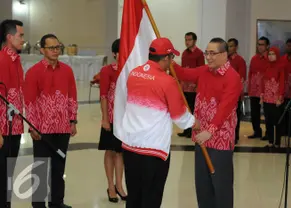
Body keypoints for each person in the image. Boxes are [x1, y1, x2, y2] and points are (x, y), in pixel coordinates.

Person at [120, 37, 197, 208]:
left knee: (134, 195)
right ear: (166, 58)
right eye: (172, 58)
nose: (172, 62)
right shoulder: (167, 81)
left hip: (131, 145)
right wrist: (194, 123)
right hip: (153, 149)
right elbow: (179, 116)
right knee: (151, 197)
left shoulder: (134, 73)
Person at [174, 37, 242, 208]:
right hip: (201, 137)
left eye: (213, 53)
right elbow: (183, 74)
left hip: (220, 140)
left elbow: (225, 109)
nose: (208, 57)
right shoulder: (205, 71)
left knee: (221, 185)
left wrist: (210, 131)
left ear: (224, 54)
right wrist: (168, 58)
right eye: (207, 53)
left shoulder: (232, 77)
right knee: (203, 186)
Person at [24, 34, 78, 208]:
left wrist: (73, 120)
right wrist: (33, 127)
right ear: (42, 50)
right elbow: (29, 102)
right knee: (40, 167)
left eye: (58, 47)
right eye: (51, 48)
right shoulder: (34, 72)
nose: (56, 51)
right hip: (41, 129)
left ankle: (57, 202)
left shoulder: (67, 70)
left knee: (59, 167)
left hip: (62, 128)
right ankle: (38, 204)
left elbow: (72, 97)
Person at [97, 39, 127, 203]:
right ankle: (110, 186)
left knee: (120, 153)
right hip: (111, 117)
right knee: (110, 151)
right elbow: (103, 96)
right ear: (115, 54)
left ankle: (119, 185)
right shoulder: (107, 71)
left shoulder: (130, 71)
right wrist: (105, 119)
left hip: (126, 120)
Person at [0, 19, 25, 208]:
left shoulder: (16, 61)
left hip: (15, 126)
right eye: (20, 36)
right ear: (9, 37)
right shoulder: (1, 59)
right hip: (3, 129)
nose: (23, 40)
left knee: (8, 173)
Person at [177, 32, 205, 138]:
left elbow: (202, 71)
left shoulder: (199, 53)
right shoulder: (184, 53)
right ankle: (186, 130)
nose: (187, 42)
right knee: (185, 109)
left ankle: (192, 131)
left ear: (195, 41)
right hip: (184, 86)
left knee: (193, 109)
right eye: (186, 40)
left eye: (189, 40)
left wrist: (198, 85)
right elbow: (182, 70)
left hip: (193, 87)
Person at [260, 47, 285, 148]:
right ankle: (270, 141)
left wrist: (280, 97)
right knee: (268, 120)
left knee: (277, 121)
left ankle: (278, 142)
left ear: (277, 55)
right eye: (269, 54)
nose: (270, 56)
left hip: (276, 99)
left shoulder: (281, 66)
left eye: (273, 54)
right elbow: (263, 81)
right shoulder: (266, 66)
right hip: (266, 98)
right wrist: (262, 94)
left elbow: (282, 82)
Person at [248, 36, 269, 140]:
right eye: (258, 44)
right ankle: (257, 131)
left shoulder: (270, 59)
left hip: (266, 91)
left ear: (267, 46)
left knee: (267, 113)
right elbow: (250, 74)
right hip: (254, 90)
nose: (260, 47)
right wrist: (249, 88)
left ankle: (268, 133)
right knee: (254, 112)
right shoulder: (254, 58)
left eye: (262, 44)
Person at [228, 38, 246, 144]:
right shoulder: (225, 59)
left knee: (235, 116)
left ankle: (235, 136)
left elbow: (242, 78)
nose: (229, 48)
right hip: (225, 93)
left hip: (235, 93)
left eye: (231, 46)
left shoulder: (240, 60)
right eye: (228, 46)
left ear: (236, 47)